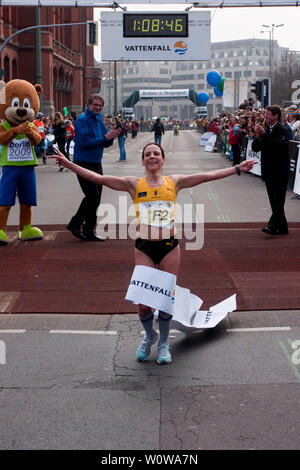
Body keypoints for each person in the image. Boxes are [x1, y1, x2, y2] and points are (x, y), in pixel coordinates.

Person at [50, 142, 256, 364]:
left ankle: (164, 343)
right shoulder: (133, 184)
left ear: (163, 159)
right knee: (144, 303)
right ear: (143, 161)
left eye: (156, 153)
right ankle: (150, 336)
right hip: (144, 247)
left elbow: (205, 176)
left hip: (169, 247)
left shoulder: (174, 182)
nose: (152, 156)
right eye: (147, 154)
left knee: (166, 301)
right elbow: (98, 179)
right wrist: (70, 165)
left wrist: (236, 168)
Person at [66, 93, 121, 241]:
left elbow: (105, 142)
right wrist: (105, 137)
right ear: (89, 105)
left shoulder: (99, 120)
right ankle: (75, 223)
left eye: (100, 106)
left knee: (96, 198)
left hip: (96, 162)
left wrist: (113, 135)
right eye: (95, 105)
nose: (97, 107)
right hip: (83, 162)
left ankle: (89, 230)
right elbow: (85, 143)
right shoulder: (82, 120)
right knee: (92, 196)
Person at [252, 105, 290, 235]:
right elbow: (256, 148)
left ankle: (272, 226)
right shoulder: (267, 129)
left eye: (268, 114)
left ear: (276, 116)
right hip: (268, 171)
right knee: (274, 201)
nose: (266, 116)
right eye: (266, 114)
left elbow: (279, 147)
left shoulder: (283, 130)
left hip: (280, 171)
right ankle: (283, 227)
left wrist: (264, 134)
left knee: (278, 200)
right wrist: (257, 136)